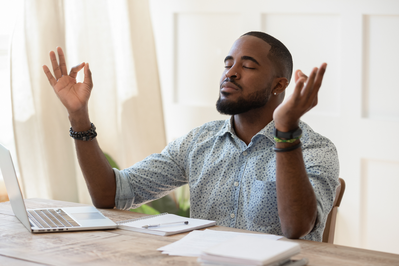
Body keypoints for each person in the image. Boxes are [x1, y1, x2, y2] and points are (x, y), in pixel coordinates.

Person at [43, 31, 339, 241]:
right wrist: (79, 117)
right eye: (227, 64)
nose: (231, 73)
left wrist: (286, 132)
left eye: (247, 66)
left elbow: (297, 228)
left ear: (279, 85)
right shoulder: (199, 142)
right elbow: (111, 195)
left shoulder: (316, 149)